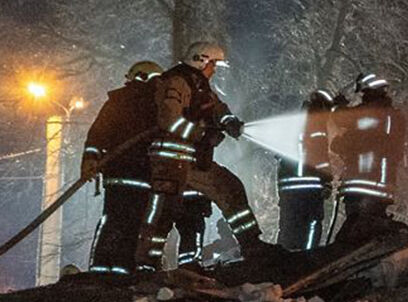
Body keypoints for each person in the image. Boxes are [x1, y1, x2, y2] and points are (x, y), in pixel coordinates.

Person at [136, 41, 268, 269]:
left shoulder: (200, 86)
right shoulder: (176, 82)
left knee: (231, 188)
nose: (214, 70)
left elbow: (217, 109)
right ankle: (145, 265)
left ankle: (252, 245)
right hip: (169, 159)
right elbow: (169, 120)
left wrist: (230, 122)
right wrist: (200, 134)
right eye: (213, 64)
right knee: (164, 213)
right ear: (201, 60)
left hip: (191, 160)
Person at [84, 61, 162, 274]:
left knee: (113, 219)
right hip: (142, 175)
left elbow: (97, 135)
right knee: (134, 223)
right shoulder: (158, 104)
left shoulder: (118, 101)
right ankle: (121, 268)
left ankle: (102, 267)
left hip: (118, 173)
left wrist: (90, 159)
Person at [332, 72, 405, 245]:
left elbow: (343, 119)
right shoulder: (392, 116)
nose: (362, 98)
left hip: (363, 185)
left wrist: (339, 105)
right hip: (382, 186)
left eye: (363, 94)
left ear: (369, 91)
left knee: (357, 234)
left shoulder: (370, 113)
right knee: (372, 231)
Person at [276, 89, 338, 251]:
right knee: (312, 225)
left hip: (288, 189)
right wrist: (327, 182)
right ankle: (307, 260)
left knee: (289, 228)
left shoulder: (295, 122)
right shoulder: (316, 124)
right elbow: (320, 157)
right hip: (308, 188)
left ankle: (282, 263)